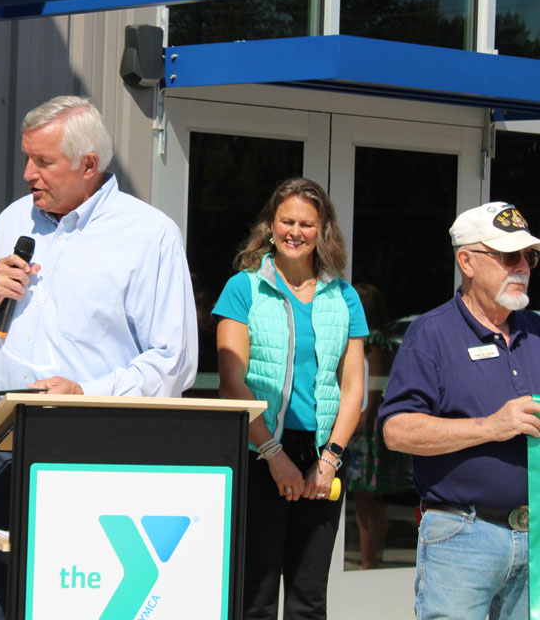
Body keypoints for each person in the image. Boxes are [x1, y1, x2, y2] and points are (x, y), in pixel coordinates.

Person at [0, 95, 198, 619]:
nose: (27, 175)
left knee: (73, 596)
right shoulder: (15, 219)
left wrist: (87, 391)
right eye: (27, 159)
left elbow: (171, 362)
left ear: (89, 165)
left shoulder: (149, 235)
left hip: (88, 450)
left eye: (43, 162)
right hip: (3, 444)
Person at [214, 177, 367, 620]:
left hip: (322, 458)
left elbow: (354, 387)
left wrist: (332, 457)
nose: (295, 232)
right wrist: (272, 452)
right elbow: (231, 382)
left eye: (306, 223)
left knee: (308, 597)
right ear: (270, 225)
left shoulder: (344, 296)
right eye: (286, 221)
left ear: (323, 231)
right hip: (257, 453)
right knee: (254, 596)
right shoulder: (243, 289)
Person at [380, 201, 540, 620]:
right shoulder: (431, 334)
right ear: (466, 261)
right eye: (509, 256)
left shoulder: (538, 331)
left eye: (530, 256)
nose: (522, 265)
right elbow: (397, 431)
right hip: (463, 535)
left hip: (537, 537)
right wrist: (491, 426)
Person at [345, 282, 410, 569]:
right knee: (366, 499)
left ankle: (368, 560)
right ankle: (369, 557)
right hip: (362, 423)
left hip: (366, 428)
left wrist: (361, 421)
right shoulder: (366, 339)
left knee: (367, 498)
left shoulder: (374, 342)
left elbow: (372, 387)